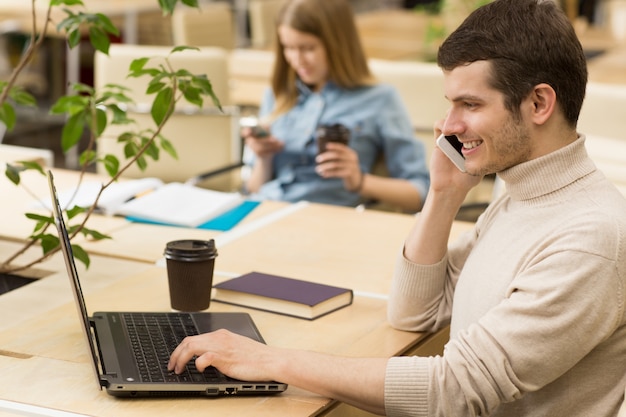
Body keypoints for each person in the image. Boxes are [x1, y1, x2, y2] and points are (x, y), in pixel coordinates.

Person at [169, 0, 626, 415]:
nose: (448, 126)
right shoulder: (524, 196)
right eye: (451, 104)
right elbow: (415, 314)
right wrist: (444, 193)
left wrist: (271, 360)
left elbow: (454, 390)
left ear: (539, 103)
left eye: (470, 104)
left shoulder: (588, 237)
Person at [241, 0, 430, 212]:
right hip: (265, 210)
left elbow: (420, 193)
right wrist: (263, 158)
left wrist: (359, 181)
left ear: (337, 44)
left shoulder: (380, 99)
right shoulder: (278, 94)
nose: (296, 60)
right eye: (288, 48)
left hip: (328, 221)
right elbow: (252, 190)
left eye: (308, 48)